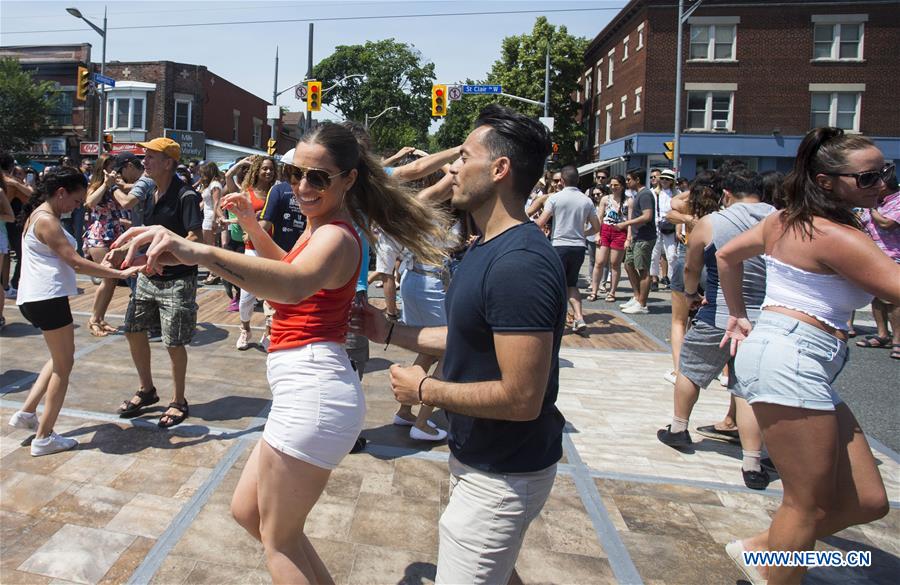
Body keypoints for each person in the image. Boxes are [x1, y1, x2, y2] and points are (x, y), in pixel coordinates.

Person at [114, 122, 446, 584]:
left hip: (315, 395)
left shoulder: (337, 236)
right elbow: (284, 268)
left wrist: (199, 252)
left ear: (348, 179)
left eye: (318, 178)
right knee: (248, 512)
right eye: (295, 173)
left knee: (279, 538)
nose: (302, 186)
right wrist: (247, 228)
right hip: (302, 390)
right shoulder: (320, 230)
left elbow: (288, 286)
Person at [353, 105, 566, 585]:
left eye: (463, 155)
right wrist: (386, 331)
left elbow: (521, 397)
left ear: (499, 170)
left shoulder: (519, 264)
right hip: (481, 460)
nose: (450, 165)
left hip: (504, 475)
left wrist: (425, 391)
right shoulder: (484, 247)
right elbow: (467, 338)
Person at [718, 128, 895, 585]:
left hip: (795, 357)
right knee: (807, 503)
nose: (883, 184)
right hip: (792, 357)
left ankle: (764, 550)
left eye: (887, 172)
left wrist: (738, 315)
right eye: (869, 177)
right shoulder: (837, 237)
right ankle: (777, 564)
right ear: (827, 181)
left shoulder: (785, 220)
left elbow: (727, 255)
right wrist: (736, 314)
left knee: (868, 501)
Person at [7, 168, 138, 455]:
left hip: (37, 299)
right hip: (47, 299)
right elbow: (76, 263)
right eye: (76, 201)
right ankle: (44, 437)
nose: (77, 207)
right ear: (61, 193)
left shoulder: (40, 215)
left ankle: (27, 412)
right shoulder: (47, 221)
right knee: (63, 367)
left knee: (58, 359)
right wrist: (118, 271)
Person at [657, 169, 774, 490]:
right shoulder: (780, 219)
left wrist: (692, 293)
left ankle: (679, 428)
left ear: (727, 194)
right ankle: (753, 461)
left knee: (691, 369)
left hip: (719, 312)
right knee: (746, 387)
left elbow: (693, 266)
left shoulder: (714, 222)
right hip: (765, 319)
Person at [113, 137, 203, 428]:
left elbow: (195, 239)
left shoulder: (185, 195)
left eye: (151, 157)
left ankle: (178, 401)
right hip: (149, 278)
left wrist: (162, 259)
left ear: (168, 163)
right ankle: (147, 390)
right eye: (145, 157)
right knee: (133, 329)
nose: (145, 162)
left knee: (173, 343)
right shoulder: (151, 190)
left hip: (177, 281)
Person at [536, 164, 601, 333]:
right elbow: (596, 226)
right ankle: (579, 317)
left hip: (559, 245)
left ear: (562, 181)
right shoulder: (586, 200)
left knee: (554, 283)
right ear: (578, 180)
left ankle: (554, 320)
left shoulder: (555, 198)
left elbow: (541, 222)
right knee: (571, 283)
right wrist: (583, 233)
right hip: (578, 246)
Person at [231, 156, 276, 350]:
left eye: (271, 169)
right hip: (251, 247)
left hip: (273, 249)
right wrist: (241, 165)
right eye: (264, 169)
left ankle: (268, 334)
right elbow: (228, 180)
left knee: (272, 297)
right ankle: (245, 329)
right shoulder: (247, 192)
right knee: (246, 296)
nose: (268, 172)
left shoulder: (278, 191)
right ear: (257, 171)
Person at [855, 182, 900, 359]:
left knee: (894, 300)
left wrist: (872, 209)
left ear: (885, 186)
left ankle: (898, 340)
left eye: (875, 184)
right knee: (876, 297)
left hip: (894, 256)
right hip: (873, 255)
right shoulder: (875, 203)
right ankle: (883, 335)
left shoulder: (896, 201)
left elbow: (887, 223)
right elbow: (861, 223)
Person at [618, 168, 656, 314]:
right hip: (636, 237)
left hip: (644, 237)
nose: (627, 182)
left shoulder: (645, 194)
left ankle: (642, 304)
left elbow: (647, 216)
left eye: (629, 179)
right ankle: (637, 296)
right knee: (628, 265)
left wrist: (627, 223)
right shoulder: (638, 194)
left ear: (637, 180)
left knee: (643, 270)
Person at [588, 174, 628, 302]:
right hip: (605, 229)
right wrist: (597, 233)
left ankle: (612, 292)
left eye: (616, 185)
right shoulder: (605, 199)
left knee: (614, 264)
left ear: (622, 186)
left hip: (620, 232)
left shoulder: (628, 201)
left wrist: (629, 238)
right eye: (611, 185)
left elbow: (630, 221)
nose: (613, 187)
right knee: (599, 262)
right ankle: (594, 291)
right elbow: (599, 217)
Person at [650, 168, 678, 290]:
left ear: (672, 181)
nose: (664, 181)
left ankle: (673, 279)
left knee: (672, 255)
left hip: (670, 227)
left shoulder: (677, 194)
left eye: (667, 179)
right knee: (654, 255)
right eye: (662, 178)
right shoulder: (653, 193)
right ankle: (654, 279)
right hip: (655, 226)